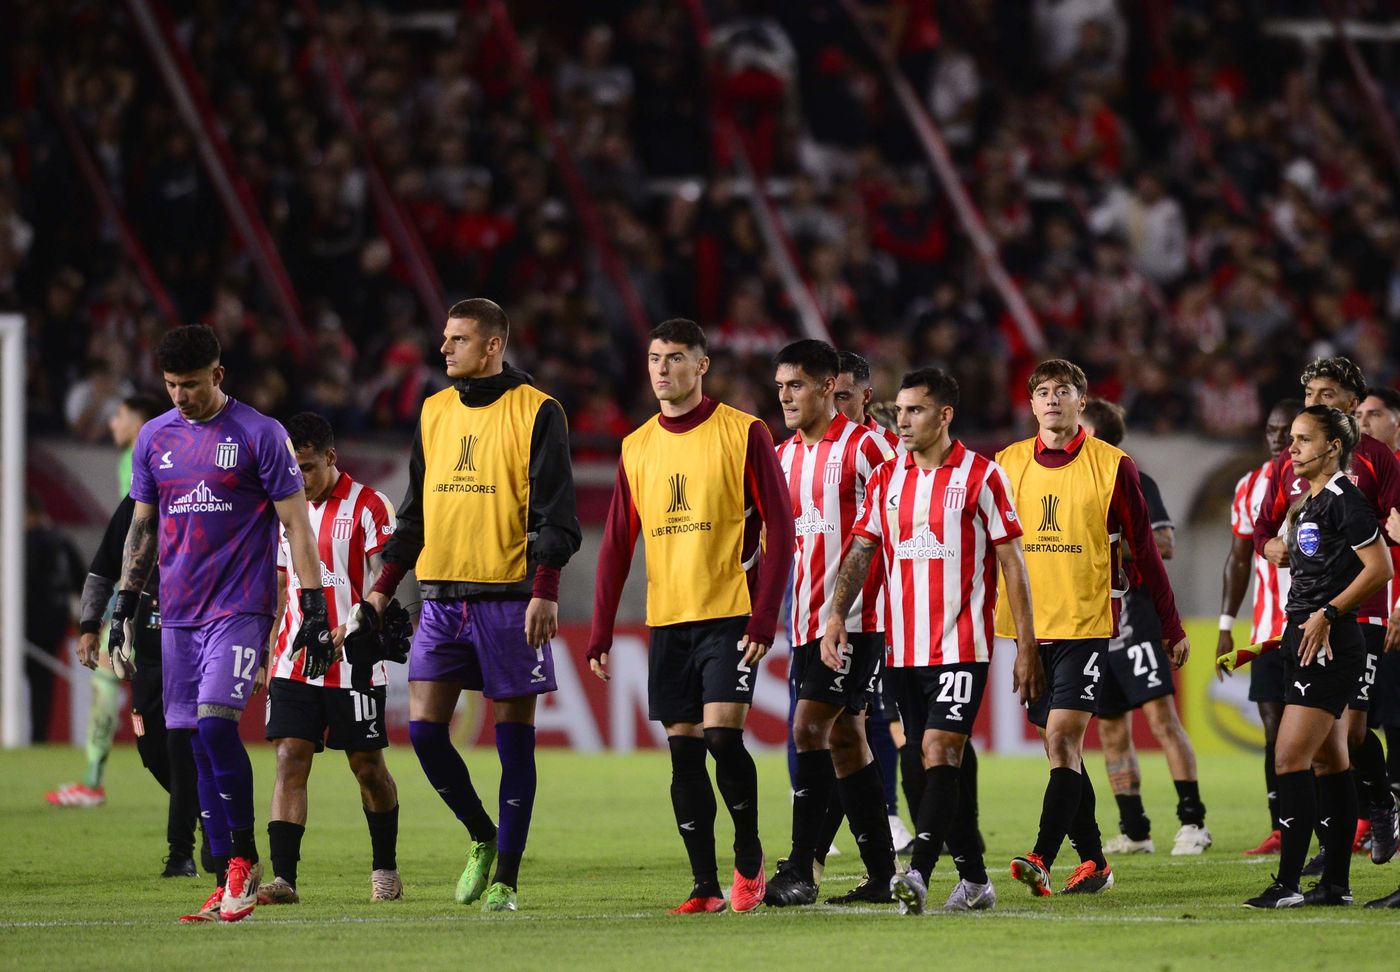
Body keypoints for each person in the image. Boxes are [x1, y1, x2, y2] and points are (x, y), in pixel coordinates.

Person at [363, 298, 580, 914]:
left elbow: (557, 519)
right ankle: (483, 836)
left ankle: (507, 879)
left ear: (492, 346)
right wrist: (381, 590)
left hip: (509, 599)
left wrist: (544, 590)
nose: (444, 349)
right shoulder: (432, 412)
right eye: (445, 338)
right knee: (426, 733)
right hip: (440, 597)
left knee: (515, 743)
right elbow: (414, 516)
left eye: (458, 339)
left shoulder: (539, 412)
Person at [113, 324, 329, 923]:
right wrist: (124, 604)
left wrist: (312, 607)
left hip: (238, 610)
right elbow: (142, 528)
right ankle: (226, 872)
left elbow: (296, 527)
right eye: (171, 385)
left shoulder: (262, 435)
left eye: (191, 384)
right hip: (176, 615)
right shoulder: (155, 439)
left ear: (219, 376)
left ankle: (242, 861)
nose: (180, 396)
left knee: (213, 728)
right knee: (185, 740)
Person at [588, 318, 795, 914]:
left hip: (730, 613)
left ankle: (749, 854)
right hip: (669, 619)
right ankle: (704, 886)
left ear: (701, 366)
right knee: (683, 751)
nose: (662, 369)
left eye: (675, 357)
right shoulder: (637, 445)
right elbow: (617, 544)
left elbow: (779, 528)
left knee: (723, 736)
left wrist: (764, 617)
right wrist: (600, 629)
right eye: (655, 358)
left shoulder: (744, 431)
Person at [824, 367, 1043, 914]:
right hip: (902, 651)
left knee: (940, 749)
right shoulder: (886, 480)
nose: (902, 420)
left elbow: (1013, 565)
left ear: (945, 414)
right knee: (926, 766)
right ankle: (974, 880)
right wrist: (834, 613)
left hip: (962, 647)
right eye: (899, 411)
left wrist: (1027, 644)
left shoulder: (982, 476)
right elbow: (862, 551)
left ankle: (917, 873)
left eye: (915, 410)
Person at [997, 358, 1189, 897]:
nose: (1052, 399)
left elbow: (1147, 551)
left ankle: (1040, 856)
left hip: (1086, 624)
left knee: (1062, 739)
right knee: (1062, 753)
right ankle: (1096, 861)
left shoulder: (1113, 466)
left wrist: (1171, 626)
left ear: (1082, 402)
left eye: (1063, 391)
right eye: (1042, 392)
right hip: (1029, 632)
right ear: (1031, 404)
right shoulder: (1007, 465)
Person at [1251, 357, 1400, 874]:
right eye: (1311, 392)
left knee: (1351, 735)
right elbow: (1263, 530)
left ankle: (1379, 810)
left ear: (1351, 403)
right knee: (1326, 748)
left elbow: (1385, 542)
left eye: (1328, 393)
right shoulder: (1289, 468)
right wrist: (1272, 546)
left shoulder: (1375, 460)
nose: (1317, 401)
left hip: (1359, 610)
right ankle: (1332, 855)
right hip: (1311, 612)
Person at [765, 340, 898, 907]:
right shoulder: (784, 455)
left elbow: (890, 531)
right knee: (846, 739)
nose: (785, 397)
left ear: (826, 387)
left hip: (857, 621)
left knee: (808, 728)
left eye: (795, 385)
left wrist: (845, 610)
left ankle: (801, 868)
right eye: (779, 387)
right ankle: (882, 875)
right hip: (804, 620)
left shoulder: (866, 448)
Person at [256, 412, 403, 905]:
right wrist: (265, 652)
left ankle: (385, 867)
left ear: (331, 458)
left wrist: (363, 621)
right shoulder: (286, 510)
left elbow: (386, 579)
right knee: (289, 757)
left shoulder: (369, 505)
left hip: (355, 664)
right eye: (292, 469)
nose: (299, 478)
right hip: (295, 659)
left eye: (308, 467)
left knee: (367, 766)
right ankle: (284, 879)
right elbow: (282, 587)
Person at [1080, 399, 1209, 856]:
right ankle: (1135, 830)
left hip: (1133, 612)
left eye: (1082, 426)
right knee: (1111, 728)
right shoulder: (1076, 486)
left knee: (1160, 718)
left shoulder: (1132, 477)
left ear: (1101, 434)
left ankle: (1193, 822)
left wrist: (1101, 546)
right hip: (1094, 620)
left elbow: (1164, 543)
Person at [71, 491, 203, 877]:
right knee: (151, 747)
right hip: (147, 645)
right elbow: (103, 568)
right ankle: (205, 810)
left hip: (201, 638)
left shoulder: (210, 494)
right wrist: (89, 625)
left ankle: (182, 853)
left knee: (185, 741)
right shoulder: (137, 503)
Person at [48, 393, 166, 810]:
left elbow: (133, 539)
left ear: (140, 420)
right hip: (140, 593)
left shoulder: (142, 460)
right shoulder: (142, 459)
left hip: (147, 598)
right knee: (113, 686)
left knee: (114, 687)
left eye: (119, 414)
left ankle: (95, 781)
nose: (113, 422)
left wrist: (114, 606)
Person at [834, 350, 921, 854]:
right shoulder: (796, 451)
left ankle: (893, 818)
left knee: (887, 719)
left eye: (844, 393)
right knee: (826, 722)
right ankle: (859, 819)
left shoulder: (888, 453)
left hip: (887, 610)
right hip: (824, 611)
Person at [1218, 399, 1300, 856]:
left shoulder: (1323, 485)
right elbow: (1238, 557)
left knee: (1330, 733)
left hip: (1314, 625)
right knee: (1273, 728)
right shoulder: (1249, 485)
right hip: (1268, 630)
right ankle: (1282, 827)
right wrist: (1227, 624)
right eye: (1271, 429)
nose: (1276, 437)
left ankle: (1357, 818)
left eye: (1286, 430)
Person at [1357, 388, 1400, 795]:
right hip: (1373, 612)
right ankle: (1371, 815)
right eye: (1359, 414)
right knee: (1369, 719)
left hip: (1394, 614)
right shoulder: (1362, 473)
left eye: (1375, 413)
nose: (1364, 421)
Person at [24, 491, 85, 743]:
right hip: (55, 623)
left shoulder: (27, 542)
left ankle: (34, 738)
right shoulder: (62, 540)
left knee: (35, 681)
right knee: (43, 684)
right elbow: (82, 579)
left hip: (29, 623)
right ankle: (39, 737)